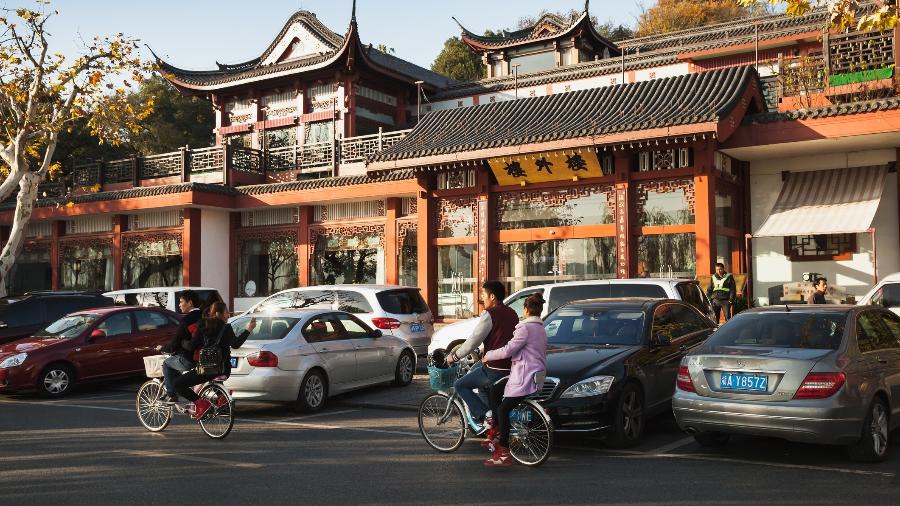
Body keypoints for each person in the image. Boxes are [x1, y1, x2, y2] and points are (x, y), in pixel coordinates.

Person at [481, 293, 548, 467]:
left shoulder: (525, 329)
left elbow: (509, 349)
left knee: (503, 409)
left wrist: (489, 355)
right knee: (495, 390)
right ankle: (495, 430)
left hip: (524, 377)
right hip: (534, 375)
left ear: (525, 310)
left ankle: (503, 452)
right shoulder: (541, 328)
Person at [446, 280, 518, 427]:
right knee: (482, 386)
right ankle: (493, 420)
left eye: (483, 294)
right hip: (512, 366)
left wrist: (454, 356)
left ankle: (486, 415)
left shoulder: (490, 314)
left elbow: (473, 341)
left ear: (492, 296)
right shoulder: (512, 313)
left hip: (495, 369)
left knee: (460, 385)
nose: (481, 298)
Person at [174, 302, 256, 420]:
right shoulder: (226, 328)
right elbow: (236, 344)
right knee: (203, 380)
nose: (228, 315)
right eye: (226, 312)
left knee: (178, 384)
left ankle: (200, 403)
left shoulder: (203, 325)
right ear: (218, 314)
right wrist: (248, 329)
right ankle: (221, 397)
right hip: (224, 370)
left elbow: (192, 346)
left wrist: (181, 342)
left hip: (207, 369)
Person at [159, 290, 202, 403]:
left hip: (189, 358)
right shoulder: (204, 316)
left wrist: (163, 348)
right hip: (204, 358)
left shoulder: (186, 320)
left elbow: (175, 343)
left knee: (167, 364)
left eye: (181, 301)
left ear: (190, 303)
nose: (179, 304)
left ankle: (171, 394)